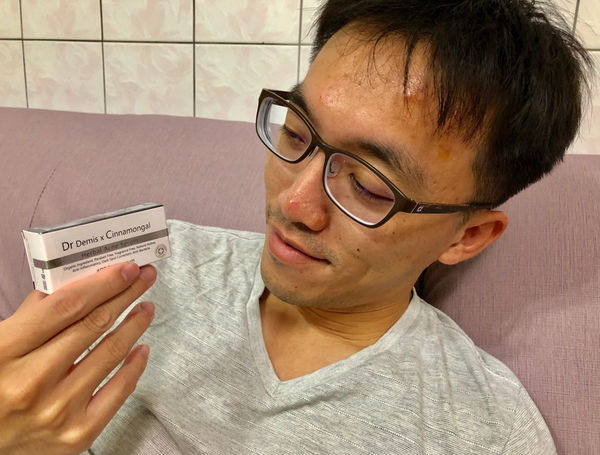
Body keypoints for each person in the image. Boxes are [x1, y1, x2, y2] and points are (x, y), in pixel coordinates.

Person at [0, 0, 591, 454]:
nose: (295, 203)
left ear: (467, 236)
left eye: (369, 185)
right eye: (296, 133)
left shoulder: (483, 432)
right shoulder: (148, 270)